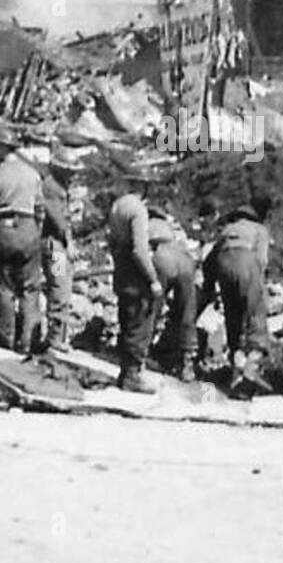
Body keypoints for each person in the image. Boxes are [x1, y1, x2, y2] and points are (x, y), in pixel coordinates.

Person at [0, 123, 45, 354]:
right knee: (29, 289)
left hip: (3, 231)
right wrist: (35, 233)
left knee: (4, 288)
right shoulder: (33, 174)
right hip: (28, 231)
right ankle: (29, 340)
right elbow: (40, 210)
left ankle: (5, 340)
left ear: (0, 147)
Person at [106, 168, 165, 394]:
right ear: (143, 186)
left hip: (121, 270)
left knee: (126, 320)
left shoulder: (117, 206)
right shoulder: (138, 210)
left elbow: (112, 242)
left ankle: (125, 372)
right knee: (140, 322)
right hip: (135, 273)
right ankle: (133, 375)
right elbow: (140, 250)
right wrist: (152, 279)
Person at [201, 204, 271, 385]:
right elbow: (262, 260)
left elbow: (209, 261)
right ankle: (251, 370)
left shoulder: (227, 230)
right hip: (247, 263)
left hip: (223, 265)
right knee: (255, 316)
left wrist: (209, 288)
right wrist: (259, 287)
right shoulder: (259, 229)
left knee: (233, 317)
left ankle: (236, 368)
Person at [147, 207, 199, 381]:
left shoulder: (146, 223)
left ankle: (142, 352)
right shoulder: (172, 227)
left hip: (163, 257)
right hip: (185, 259)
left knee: (153, 306)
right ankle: (187, 363)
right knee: (187, 311)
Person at [40, 152, 79, 352]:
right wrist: (69, 242)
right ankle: (55, 337)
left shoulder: (58, 186)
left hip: (58, 246)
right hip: (55, 247)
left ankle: (59, 336)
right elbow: (58, 219)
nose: (72, 175)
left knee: (62, 289)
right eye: (69, 171)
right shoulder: (52, 188)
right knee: (59, 289)